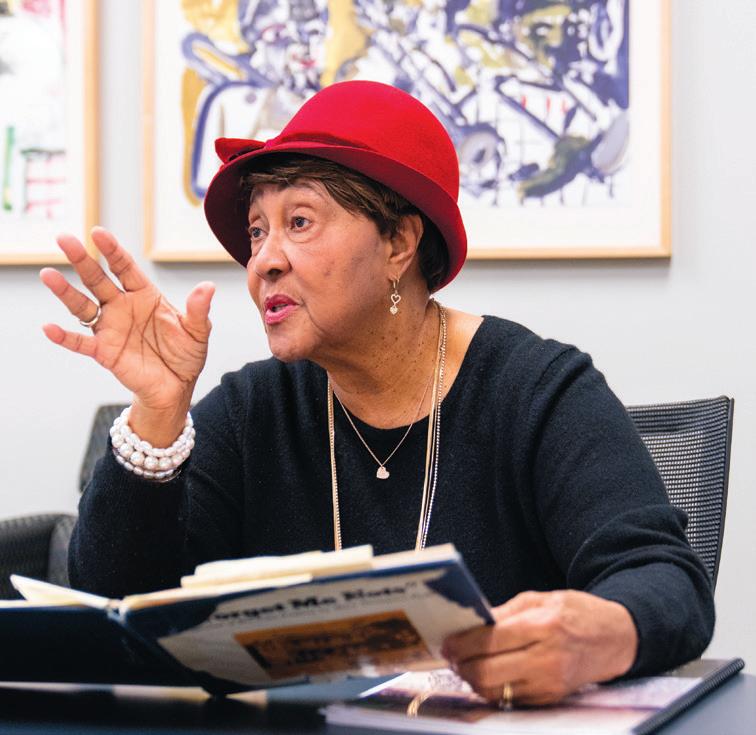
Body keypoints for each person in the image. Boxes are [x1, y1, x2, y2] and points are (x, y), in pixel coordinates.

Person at [40, 81, 714, 707]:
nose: (263, 260)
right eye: (257, 230)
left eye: (299, 221)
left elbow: (667, 581)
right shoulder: (255, 410)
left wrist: (596, 634)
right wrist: (159, 411)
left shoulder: (535, 391)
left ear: (398, 242)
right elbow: (114, 608)